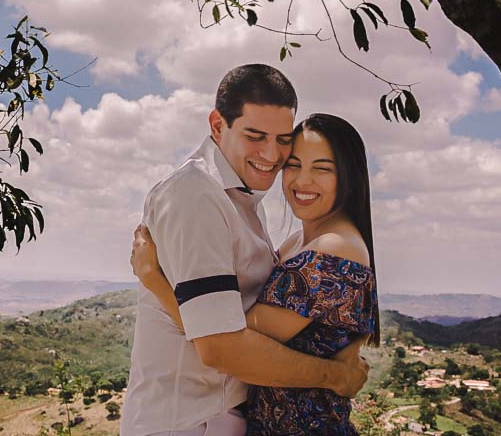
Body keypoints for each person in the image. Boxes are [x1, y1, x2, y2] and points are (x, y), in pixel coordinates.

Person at [121, 65, 369, 436]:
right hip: (189, 422)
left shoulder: (241, 200)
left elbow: (229, 335)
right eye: (256, 136)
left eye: (283, 139)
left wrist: (154, 280)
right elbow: (220, 346)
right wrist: (336, 376)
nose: (271, 154)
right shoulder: (198, 194)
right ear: (218, 125)